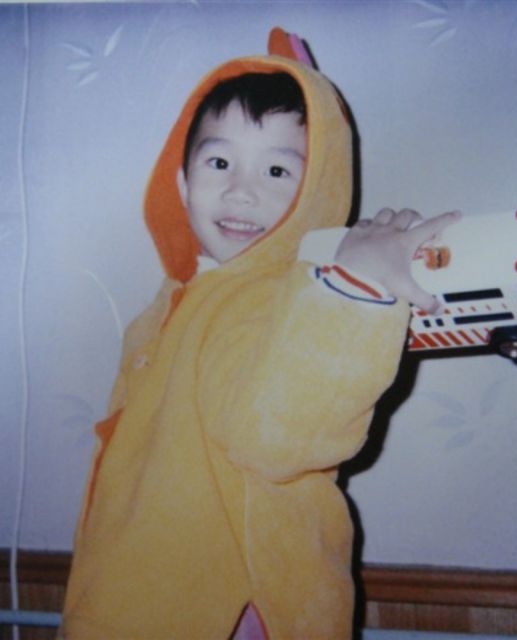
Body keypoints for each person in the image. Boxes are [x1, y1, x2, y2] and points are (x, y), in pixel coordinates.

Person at [60, 29, 459, 640]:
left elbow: (278, 434)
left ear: (316, 195)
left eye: (277, 170)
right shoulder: (166, 310)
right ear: (182, 183)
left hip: (236, 607)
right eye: (220, 163)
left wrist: (356, 290)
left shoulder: (282, 301)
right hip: (132, 598)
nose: (241, 191)